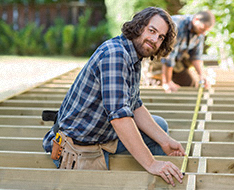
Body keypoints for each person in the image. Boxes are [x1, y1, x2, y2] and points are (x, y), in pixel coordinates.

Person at [42, 7, 185, 187]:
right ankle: (137, 176)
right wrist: (151, 163)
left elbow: (135, 106)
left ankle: (145, 172)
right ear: (139, 26)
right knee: (148, 152)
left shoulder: (134, 56)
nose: (155, 40)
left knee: (161, 129)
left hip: (102, 135)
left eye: (161, 37)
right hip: (78, 146)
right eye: (152, 30)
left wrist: (166, 141)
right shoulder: (116, 55)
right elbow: (120, 118)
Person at [160, 11, 215, 93]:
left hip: (176, 61)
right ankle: (158, 79)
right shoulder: (177, 25)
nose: (203, 33)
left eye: (205, 31)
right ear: (196, 20)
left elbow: (196, 57)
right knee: (163, 86)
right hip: (159, 58)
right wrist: (167, 82)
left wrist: (202, 76)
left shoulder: (199, 33)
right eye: (202, 29)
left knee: (190, 83)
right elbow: (168, 57)